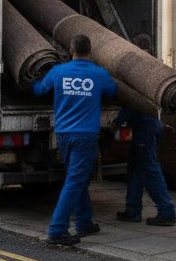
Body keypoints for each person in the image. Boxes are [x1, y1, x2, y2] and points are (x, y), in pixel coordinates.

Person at [33, 33, 119, 247]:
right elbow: (114, 91)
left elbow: (40, 89)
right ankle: (57, 230)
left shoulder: (58, 71)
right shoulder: (99, 74)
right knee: (75, 180)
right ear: (90, 51)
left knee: (77, 178)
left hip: (63, 135)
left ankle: (84, 222)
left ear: (71, 51)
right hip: (85, 136)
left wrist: (29, 81)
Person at [113, 34, 176, 227]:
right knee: (136, 168)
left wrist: (118, 120)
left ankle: (167, 211)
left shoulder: (141, 69)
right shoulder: (156, 65)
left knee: (149, 168)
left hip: (146, 125)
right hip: (151, 124)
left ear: (136, 46)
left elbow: (135, 101)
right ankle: (133, 209)